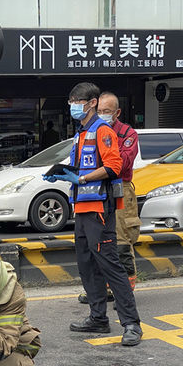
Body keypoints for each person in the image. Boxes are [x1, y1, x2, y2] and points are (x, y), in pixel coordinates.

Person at [42, 82, 142, 346]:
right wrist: (64, 172)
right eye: (72, 100)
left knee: (110, 266)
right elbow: (82, 165)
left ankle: (131, 323)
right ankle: (98, 318)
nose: (74, 105)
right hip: (83, 209)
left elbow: (114, 165)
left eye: (78, 101)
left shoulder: (102, 130)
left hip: (99, 209)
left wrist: (82, 177)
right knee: (87, 266)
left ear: (92, 103)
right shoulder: (81, 133)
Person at [78, 92, 141, 305]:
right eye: (100, 111)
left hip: (119, 188)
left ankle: (124, 291)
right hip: (95, 188)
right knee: (96, 243)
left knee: (121, 240)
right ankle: (98, 290)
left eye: (107, 111)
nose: (102, 115)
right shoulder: (90, 131)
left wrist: (101, 161)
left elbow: (119, 164)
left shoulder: (127, 134)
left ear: (117, 112)